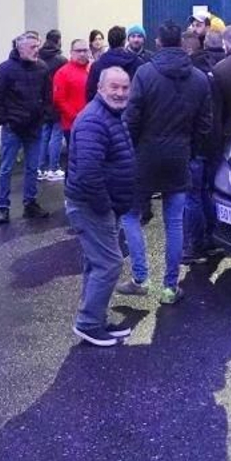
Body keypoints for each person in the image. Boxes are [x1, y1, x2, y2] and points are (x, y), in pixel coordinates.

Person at [118, 20, 212, 305]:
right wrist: (190, 149)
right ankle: (170, 287)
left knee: (130, 216)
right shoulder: (198, 78)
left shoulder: (145, 74)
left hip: (144, 157)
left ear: (157, 42)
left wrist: (129, 150)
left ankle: (140, 278)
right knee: (174, 223)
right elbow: (204, 125)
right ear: (183, 44)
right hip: (179, 156)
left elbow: (131, 118)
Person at [64, 66, 137, 347]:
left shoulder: (111, 115)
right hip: (91, 206)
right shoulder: (94, 120)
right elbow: (89, 173)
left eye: (124, 87)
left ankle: (95, 317)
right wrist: (105, 207)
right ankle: (89, 323)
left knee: (97, 263)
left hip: (105, 205)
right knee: (109, 263)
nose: (120, 93)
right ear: (100, 88)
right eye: (114, 87)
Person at [0, 31, 51, 223]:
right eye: (32, 47)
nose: (36, 50)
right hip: (13, 129)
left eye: (37, 46)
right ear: (19, 48)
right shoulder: (5, 69)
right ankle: (3, 207)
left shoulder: (42, 68)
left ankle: (30, 204)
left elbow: (48, 96)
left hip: (34, 128)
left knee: (32, 168)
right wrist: (5, 121)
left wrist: (43, 116)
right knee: (6, 168)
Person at [51, 38, 91, 173]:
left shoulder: (92, 70)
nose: (82, 54)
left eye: (85, 50)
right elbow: (59, 100)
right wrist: (76, 117)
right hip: (72, 125)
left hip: (92, 123)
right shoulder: (62, 73)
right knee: (75, 160)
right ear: (71, 52)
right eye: (78, 51)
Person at [37, 30, 67, 182]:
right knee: (56, 135)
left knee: (44, 135)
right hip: (56, 101)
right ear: (58, 40)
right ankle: (53, 168)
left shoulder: (38, 57)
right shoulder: (61, 60)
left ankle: (40, 168)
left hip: (43, 102)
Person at [84, 25, 139, 102]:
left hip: (104, 110)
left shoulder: (97, 65)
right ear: (124, 41)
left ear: (108, 42)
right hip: (129, 110)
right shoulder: (136, 63)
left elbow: (91, 94)